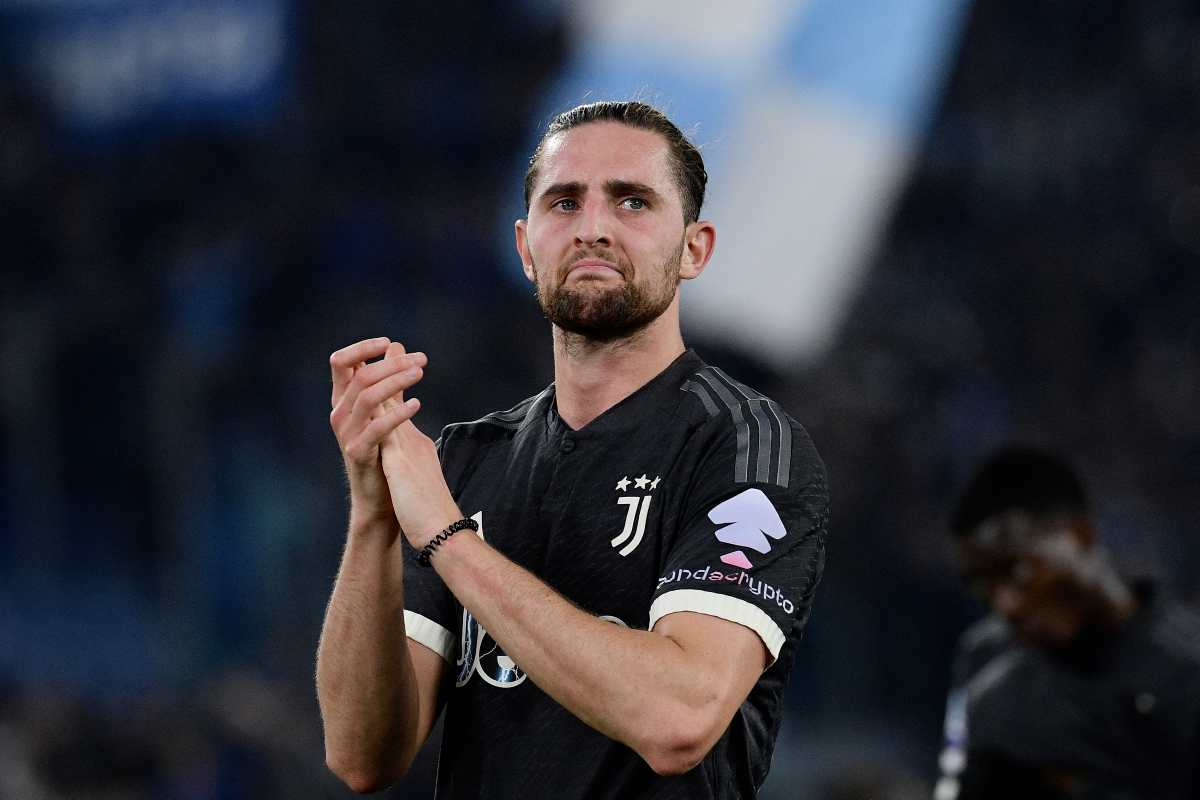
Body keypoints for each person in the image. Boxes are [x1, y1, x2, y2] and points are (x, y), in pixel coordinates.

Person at [315, 101, 830, 799]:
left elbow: (679, 720)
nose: (592, 228)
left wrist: (446, 535)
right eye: (564, 203)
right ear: (526, 249)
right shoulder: (467, 460)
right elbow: (362, 756)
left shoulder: (744, 446)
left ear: (694, 249)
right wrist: (373, 519)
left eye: (632, 201)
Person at [935, 447, 1200, 800]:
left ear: (1081, 536)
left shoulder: (1187, 667)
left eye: (1018, 571)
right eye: (984, 588)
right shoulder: (987, 670)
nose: (1006, 604)